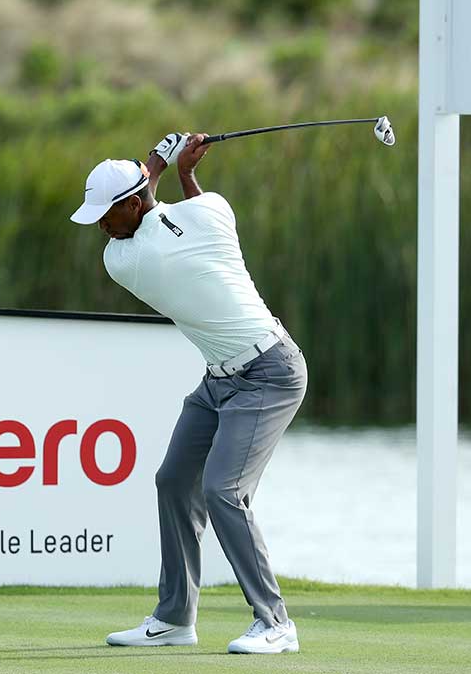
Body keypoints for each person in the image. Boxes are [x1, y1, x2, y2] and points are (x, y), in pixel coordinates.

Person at [69, 132, 308, 654]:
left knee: (224, 490)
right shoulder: (212, 212)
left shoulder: (131, 259)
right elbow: (179, 211)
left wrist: (158, 159)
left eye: (106, 215)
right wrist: (182, 171)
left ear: (132, 204)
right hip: (219, 379)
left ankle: (275, 622)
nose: (101, 228)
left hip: (269, 373)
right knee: (175, 479)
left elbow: (157, 216)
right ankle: (175, 619)